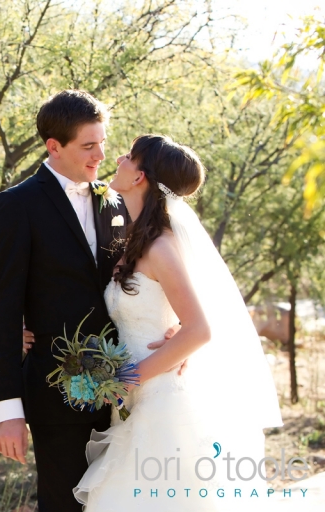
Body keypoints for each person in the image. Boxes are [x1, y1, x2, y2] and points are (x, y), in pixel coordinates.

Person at [24, 135, 283, 510]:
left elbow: (200, 329)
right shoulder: (134, 240)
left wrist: (125, 379)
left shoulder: (160, 247)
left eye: (129, 156)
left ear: (139, 177)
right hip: (134, 402)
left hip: (162, 402)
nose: (118, 158)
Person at [0, 90, 153, 511]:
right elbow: (2, 309)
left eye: (103, 142)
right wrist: (9, 411)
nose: (101, 155)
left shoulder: (115, 201)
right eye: (88, 145)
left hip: (128, 389)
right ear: (54, 147)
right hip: (56, 392)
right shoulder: (16, 205)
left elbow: (144, 277)